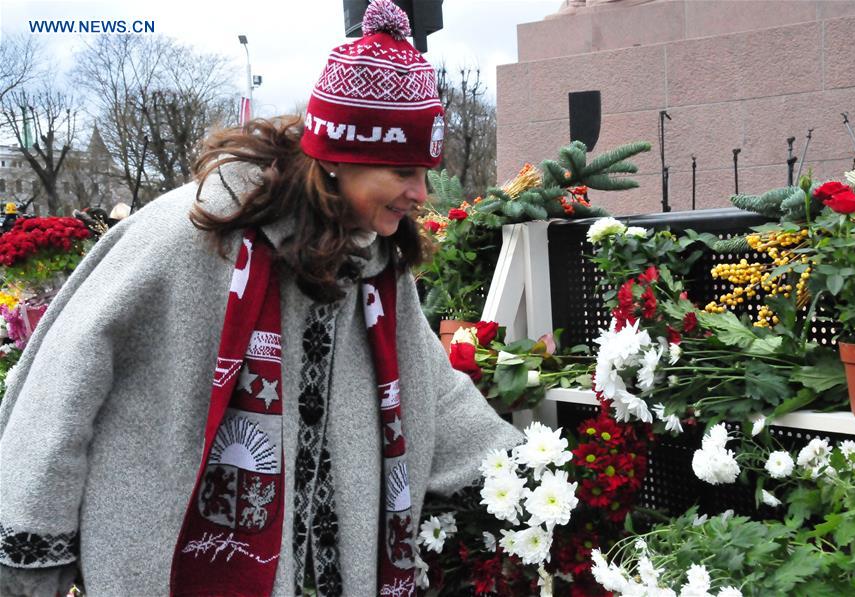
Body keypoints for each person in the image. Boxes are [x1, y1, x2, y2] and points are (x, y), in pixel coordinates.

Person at [0, 2, 522, 595]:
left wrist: (526, 478)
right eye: (403, 170)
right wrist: (30, 545)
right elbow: (62, 375)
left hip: (330, 569)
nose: (420, 192)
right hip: (165, 555)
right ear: (338, 160)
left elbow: (428, 386)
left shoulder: (373, 263)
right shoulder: (189, 234)